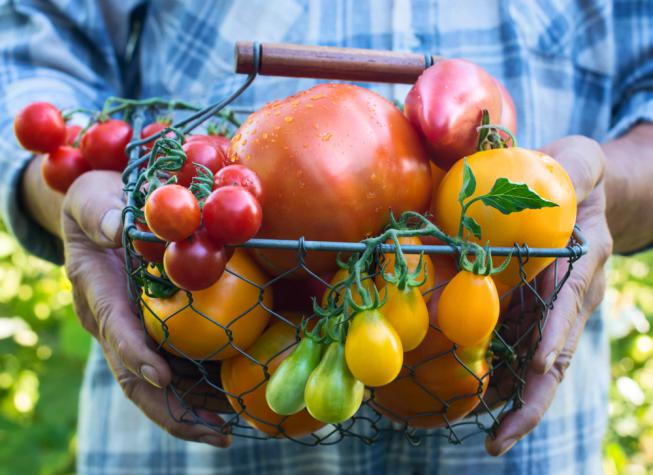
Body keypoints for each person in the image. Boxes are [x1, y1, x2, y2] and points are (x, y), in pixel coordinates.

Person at [1, 0, 651, 473]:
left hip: (519, 431)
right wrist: (72, 195)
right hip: (184, 428)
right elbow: (31, 61)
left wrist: (600, 190)